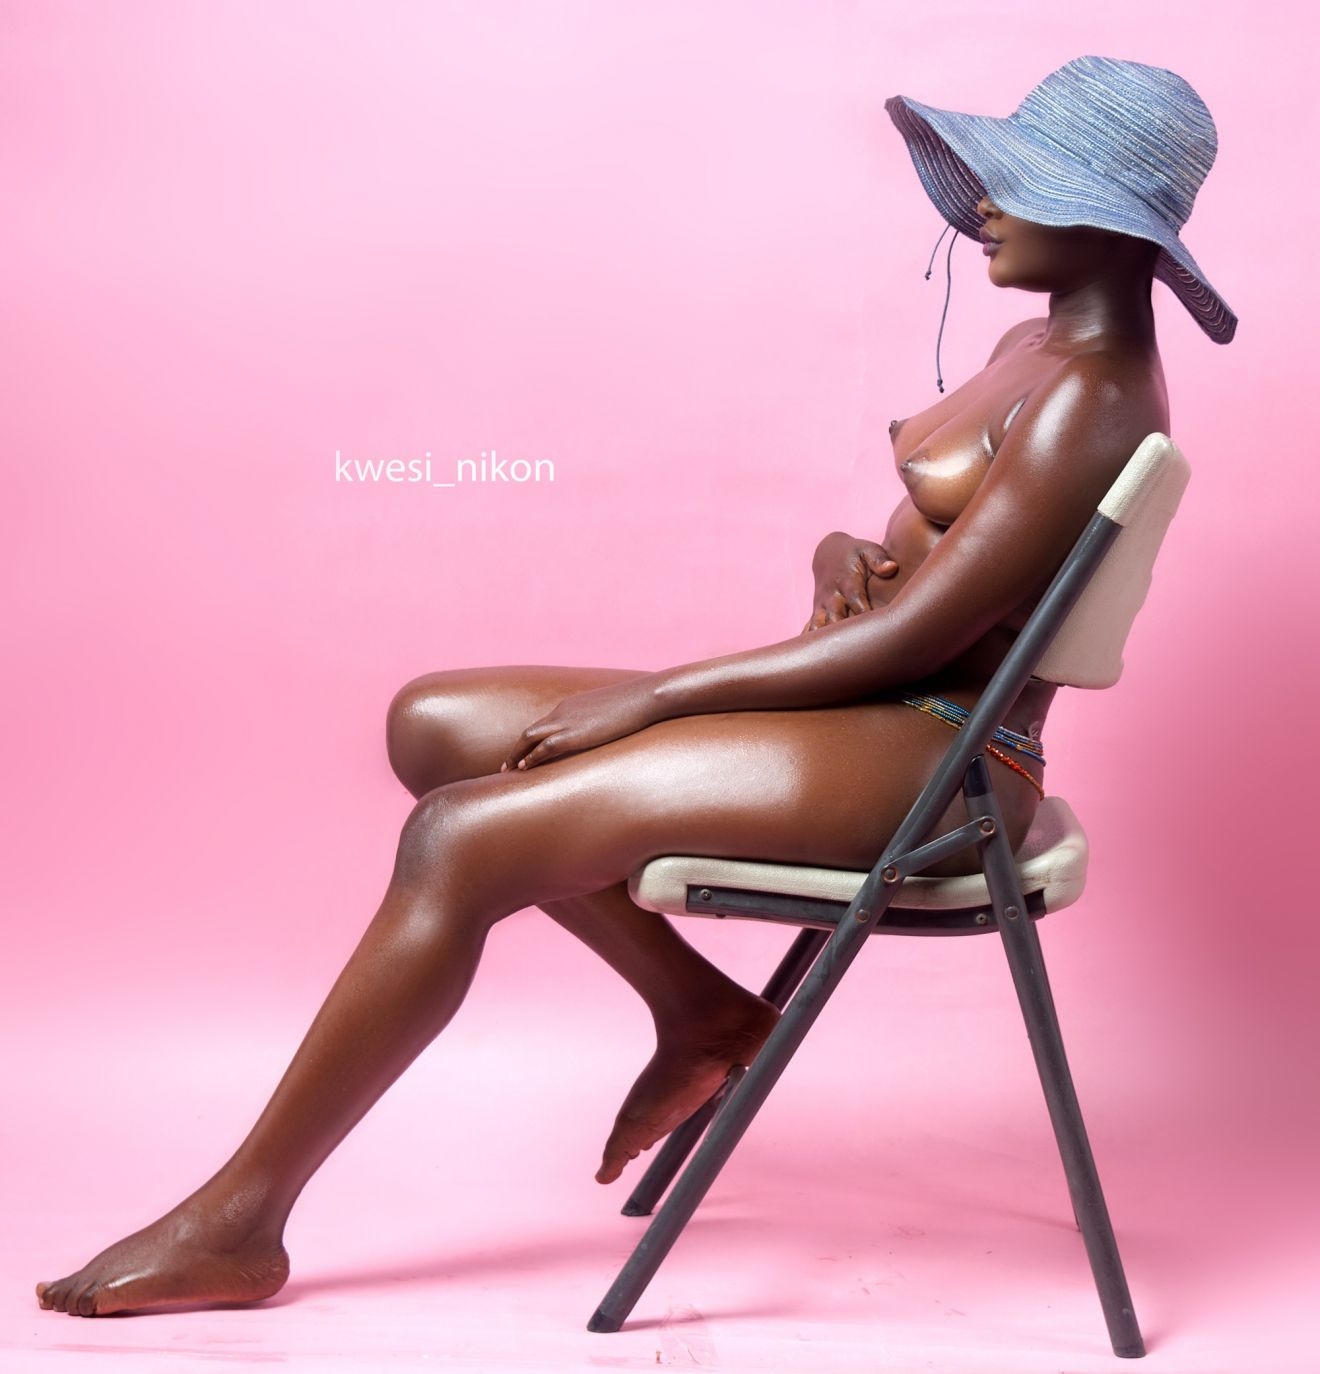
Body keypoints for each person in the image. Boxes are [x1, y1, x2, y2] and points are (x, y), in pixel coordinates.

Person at [35, 54, 1235, 1318]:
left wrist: (657, 695)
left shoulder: (1094, 400)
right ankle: (698, 1011)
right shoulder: (1027, 345)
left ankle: (241, 1223)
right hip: (880, 706)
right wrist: (840, 551)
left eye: (1023, 186)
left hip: (938, 751)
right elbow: (943, 567)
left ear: (1110, 225)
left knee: (457, 836)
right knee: (435, 724)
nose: (984, 202)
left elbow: (916, 643)